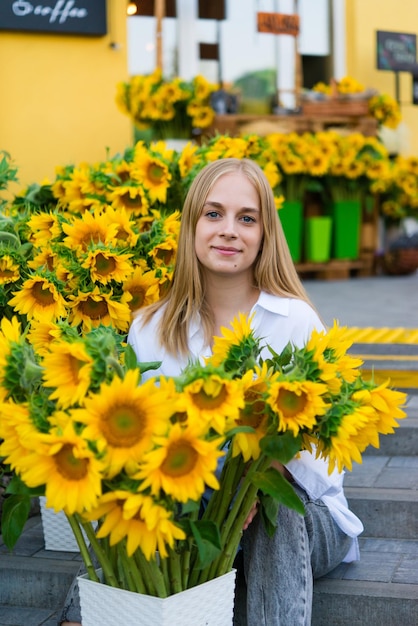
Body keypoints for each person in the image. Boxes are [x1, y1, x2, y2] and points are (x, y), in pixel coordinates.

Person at [60, 157, 363, 626]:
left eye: (247, 218)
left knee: (268, 500)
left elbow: (325, 457)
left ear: (265, 234)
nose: (229, 230)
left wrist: (260, 477)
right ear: (192, 225)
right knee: (135, 505)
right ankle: (79, 618)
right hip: (197, 520)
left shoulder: (295, 320)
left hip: (303, 524)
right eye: (214, 213)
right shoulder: (150, 327)